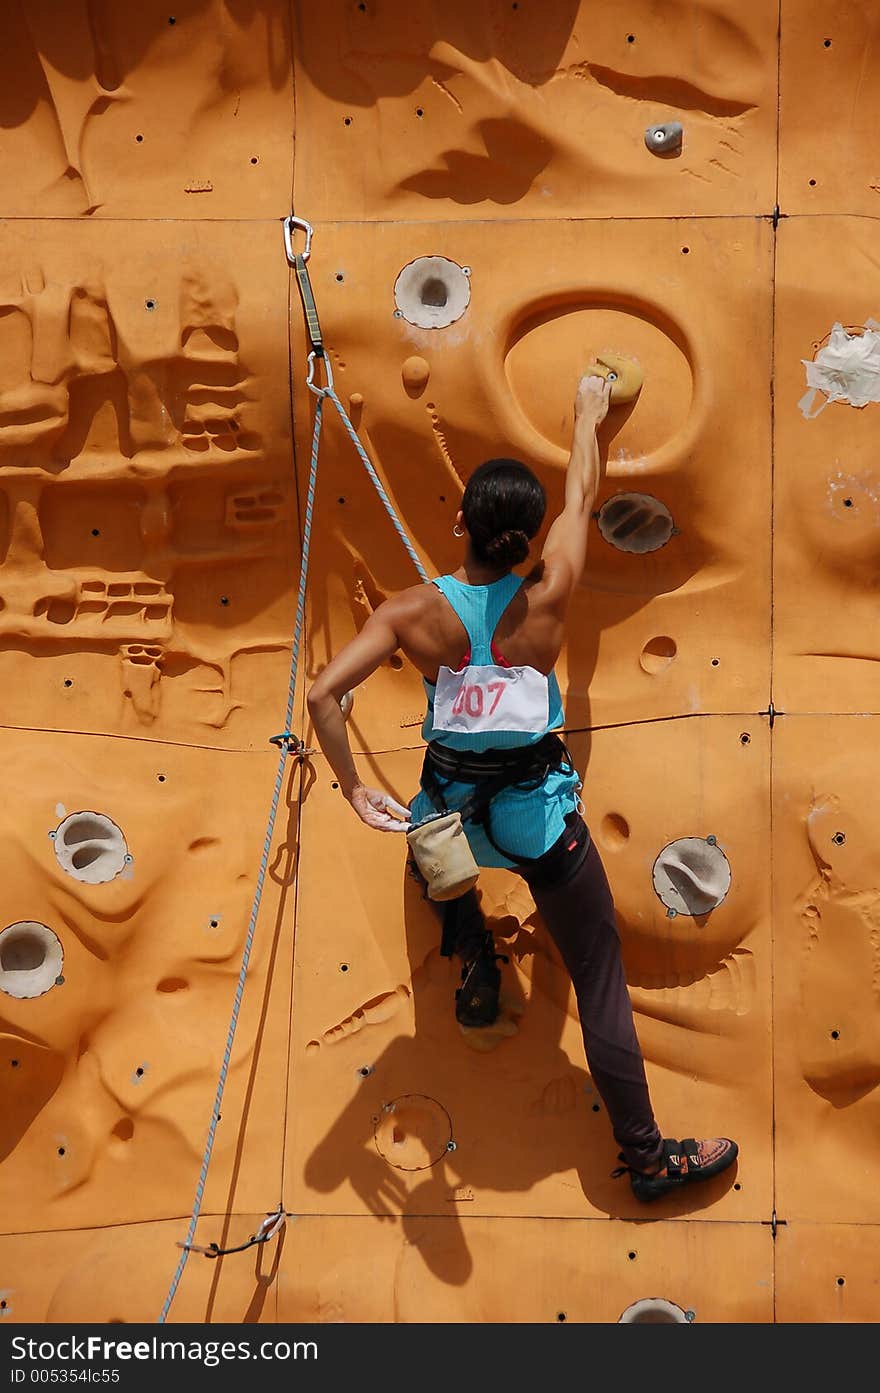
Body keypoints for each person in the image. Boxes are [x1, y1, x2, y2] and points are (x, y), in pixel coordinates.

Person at [306, 371, 738, 1203]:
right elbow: (583, 492)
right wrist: (586, 411)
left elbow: (324, 696)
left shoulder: (408, 613)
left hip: (451, 821)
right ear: (529, 536)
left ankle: (474, 957)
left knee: (428, 856)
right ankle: (646, 1159)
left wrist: (355, 788)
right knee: (598, 978)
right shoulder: (552, 588)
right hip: (540, 822)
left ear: (461, 523)